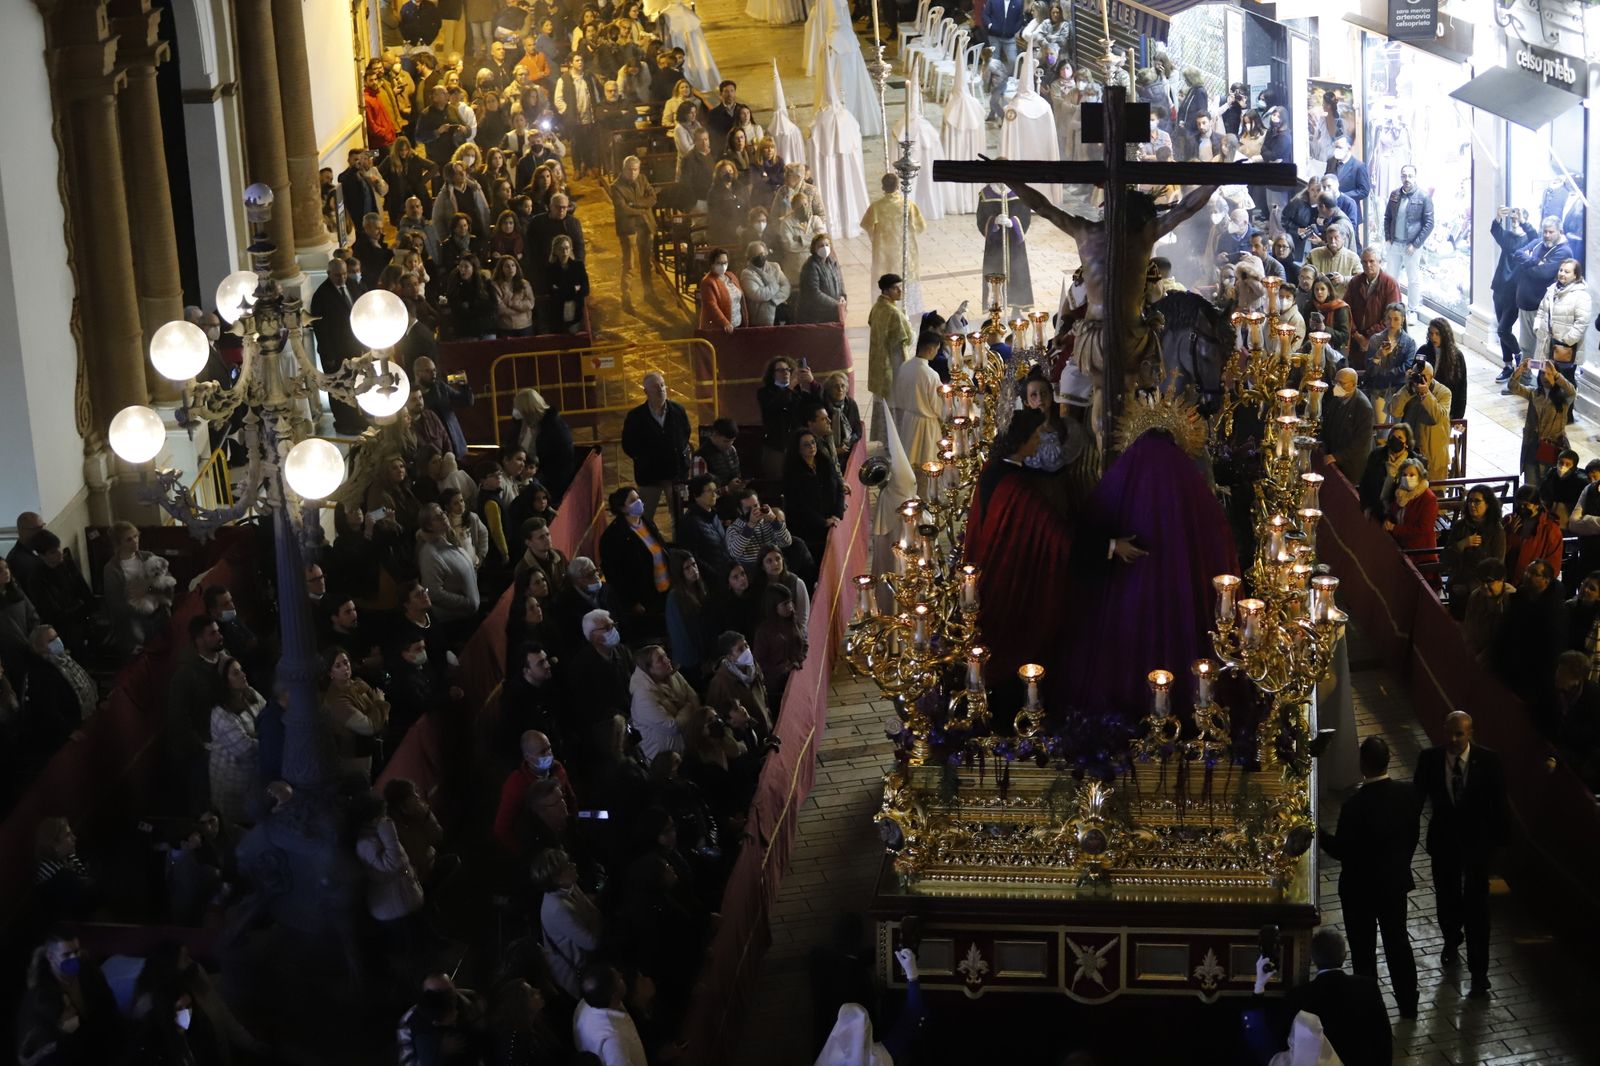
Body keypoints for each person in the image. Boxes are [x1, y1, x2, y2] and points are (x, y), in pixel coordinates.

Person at [1317, 736, 1420, 1018]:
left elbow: (1342, 850)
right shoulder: (1409, 794)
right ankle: (1409, 1004)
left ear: (1362, 765)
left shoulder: (1354, 806)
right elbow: (1412, 836)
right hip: (1393, 885)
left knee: (1364, 952)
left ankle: (1370, 1009)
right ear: (1386, 761)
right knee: (1398, 943)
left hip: (1358, 890)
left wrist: (1321, 834)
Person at [1414, 711, 1507, 999]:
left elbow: (1499, 805)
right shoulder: (1429, 759)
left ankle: (1480, 974)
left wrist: (1499, 848)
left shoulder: (1489, 762)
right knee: (1446, 896)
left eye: (1460, 734)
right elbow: (1417, 799)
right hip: (1444, 842)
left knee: (1478, 909)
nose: (1454, 740)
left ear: (1470, 734)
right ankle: (1451, 939)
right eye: (1450, 733)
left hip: (1477, 846)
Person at [1249, 928, 1391, 1066]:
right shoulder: (1368, 987)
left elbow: (1272, 1036)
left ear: (1312, 959)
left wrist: (1259, 987)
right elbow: (1384, 1038)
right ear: (1345, 956)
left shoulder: (1298, 996)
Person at [620, 372, 692, 537]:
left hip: (674, 474)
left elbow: (685, 434)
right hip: (649, 476)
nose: (660, 389)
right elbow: (628, 444)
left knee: (679, 516)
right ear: (646, 392)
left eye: (662, 385)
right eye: (655, 387)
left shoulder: (677, 411)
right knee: (645, 517)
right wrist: (644, 459)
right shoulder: (635, 417)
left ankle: (678, 547)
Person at [598, 486, 673, 637]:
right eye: (632, 500)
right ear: (622, 508)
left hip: (665, 589)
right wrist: (631, 602)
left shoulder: (646, 522)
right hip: (645, 598)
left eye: (638, 498)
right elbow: (615, 575)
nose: (639, 502)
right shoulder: (614, 536)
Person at [1507, 357, 1576, 486]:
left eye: (1549, 373)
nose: (1545, 376)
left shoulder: (1563, 398)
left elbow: (1572, 391)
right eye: (1542, 373)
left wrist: (1556, 374)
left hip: (1553, 447)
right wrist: (1520, 370)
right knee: (1531, 485)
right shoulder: (1534, 394)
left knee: (1550, 486)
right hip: (1533, 446)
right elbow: (1513, 387)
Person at [783, 430, 846, 569]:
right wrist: (823, 522)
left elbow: (839, 488)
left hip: (833, 520)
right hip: (811, 529)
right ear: (798, 449)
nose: (812, 446)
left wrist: (837, 514)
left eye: (813, 442)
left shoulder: (824, 462)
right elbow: (798, 506)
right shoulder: (793, 473)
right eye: (806, 444)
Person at [1442, 486, 1507, 616]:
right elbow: (1445, 558)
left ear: (1487, 504)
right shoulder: (1460, 526)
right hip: (1457, 582)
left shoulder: (1496, 530)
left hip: (1482, 589)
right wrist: (1461, 544)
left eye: (1477, 501)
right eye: (1470, 501)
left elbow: (1496, 566)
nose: (1472, 505)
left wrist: (1469, 587)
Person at [890, 331, 945, 483]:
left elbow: (899, 394)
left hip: (908, 420)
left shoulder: (905, 366)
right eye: (936, 349)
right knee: (928, 464)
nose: (936, 353)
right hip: (926, 424)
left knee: (910, 458)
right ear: (930, 349)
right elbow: (938, 405)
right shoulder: (930, 375)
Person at [1532, 258, 1592, 388]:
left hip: (1565, 348)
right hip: (1546, 343)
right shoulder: (1552, 289)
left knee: (1564, 385)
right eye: (1561, 270)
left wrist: (1566, 340)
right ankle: (1543, 407)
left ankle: (1565, 409)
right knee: (1542, 379)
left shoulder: (1581, 295)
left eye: (1567, 271)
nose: (1562, 274)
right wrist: (1537, 327)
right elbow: (1542, 309)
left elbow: (1582, 323)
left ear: (1575, 275)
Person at [573, 963, 648, 1066]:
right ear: (614, 995)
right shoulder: (613, 1041)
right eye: (619, 979)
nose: (622, 975)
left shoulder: (586, 1003)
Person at [1389, 359, 1452, 482]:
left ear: (1431, 377)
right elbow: (1394, 411)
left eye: (1423, 377)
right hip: (1410, 454)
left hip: (1433, 455)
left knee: (1435, 496)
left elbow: (1436, 417)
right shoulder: (1408, 390)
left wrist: (1426, 394)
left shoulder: (1444, 393)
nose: (1419, 380)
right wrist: (1407, 389)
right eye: (1416, 375)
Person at [609, 155, 659, 302]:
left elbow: (653, 198)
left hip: (645, 225)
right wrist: (642, 209)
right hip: (629, 228)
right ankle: (626, 296)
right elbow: (623, 209)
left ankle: (649, 294)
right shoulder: (616, 186)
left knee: (646, 262)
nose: (632, 173)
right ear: (623, 169)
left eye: (635, 169)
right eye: (629, 169)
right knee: (629, 264)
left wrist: (635, 204)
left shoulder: (642, 179)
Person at [976, 182, 1032, 311]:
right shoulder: (986, 194)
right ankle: (995, 308)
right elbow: (980, 220)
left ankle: (1017, 308)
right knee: (994, 273)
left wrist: (1013, 223)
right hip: (995, 246)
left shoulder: (1020, 191)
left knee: (1017, 271)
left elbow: (1026, 215)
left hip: (1015, 245)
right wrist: (993, 221)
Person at [1344, 248, 1400, 371]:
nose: (1367, 265)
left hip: (1381, 342)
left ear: (1380, 262)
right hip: (1355, 341)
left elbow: (1392, 318)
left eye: (1371, 261)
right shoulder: (1355, 282)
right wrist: (1357, 335)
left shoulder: (1390, 284)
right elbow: (1345, 311)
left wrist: (1369, 338)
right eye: (1364, 262)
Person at [1383, 164, 1433, 302]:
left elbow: (1429, 224)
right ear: (1401, 177)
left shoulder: (1423, 197)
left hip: (1411, 246)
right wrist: (1388, 238)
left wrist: (1415, 244)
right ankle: (1393, 306)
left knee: (1413, 279)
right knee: (1391, 278)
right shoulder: (1395, 194)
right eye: (1404, 175)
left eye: (1410, 176)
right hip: (1395, 243)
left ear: (1415, 177)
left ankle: (1412, 309)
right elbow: (1388, 217)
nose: (1407, 179)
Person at [867, 274, 911, 428]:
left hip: (879, 363)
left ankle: (885, 440)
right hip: (893, 363)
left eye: (900, 287)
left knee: (883, 399)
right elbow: (905, 339)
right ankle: (897, 438)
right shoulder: (893, 313)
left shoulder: (877, 307)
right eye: (895, 288)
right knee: (895, 400)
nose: (899, 291)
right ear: (885, 291)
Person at [1319, 367, 1375, 479]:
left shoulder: (1363, 407)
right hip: (1332, 456)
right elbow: (1327, 425)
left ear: (1354, 385)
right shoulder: (1336, 398)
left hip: (1351, 465)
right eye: (1335, 382)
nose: (1337, 386)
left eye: (1341, 383)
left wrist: (1337, 457)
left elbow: (1361, 442)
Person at [1416, 317, 1467, 421]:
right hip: (1423, 406)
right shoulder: (1423, 350)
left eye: (1437, 334)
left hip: (1445, 408)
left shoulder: (1457, 356)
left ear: (1445, 335)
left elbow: (1461, 389)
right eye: (1431, 333)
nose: (1433, 337)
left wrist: (1458, 417)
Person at [796, 233, 847, 324]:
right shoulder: (811, 266)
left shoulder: (833, 263)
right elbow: (813, 293)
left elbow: (840, 282)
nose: (825, 248)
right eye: (821, 246)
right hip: (816, 316)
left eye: (827, 245)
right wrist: (835, 303)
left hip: (833, 312)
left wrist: (842, 297)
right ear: (814, 249)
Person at [741, 240, 791, 326]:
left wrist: (774, 300)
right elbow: (758, 294)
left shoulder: (775, 266)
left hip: (780, 308)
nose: (760, 257)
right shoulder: (746, 273)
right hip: (762, 316)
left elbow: (786, 287)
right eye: (756, 255)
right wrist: (776, 284)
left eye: (762, 254)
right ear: (749, 257)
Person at [697, 247, 745, 332]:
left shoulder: (731, 275)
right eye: (719, 263)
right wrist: (725, 323)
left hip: (738, 323)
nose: (723, 266)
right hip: (722, 328)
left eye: (725, 263)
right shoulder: (708, 282)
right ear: (712, 264)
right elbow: (711, 305)